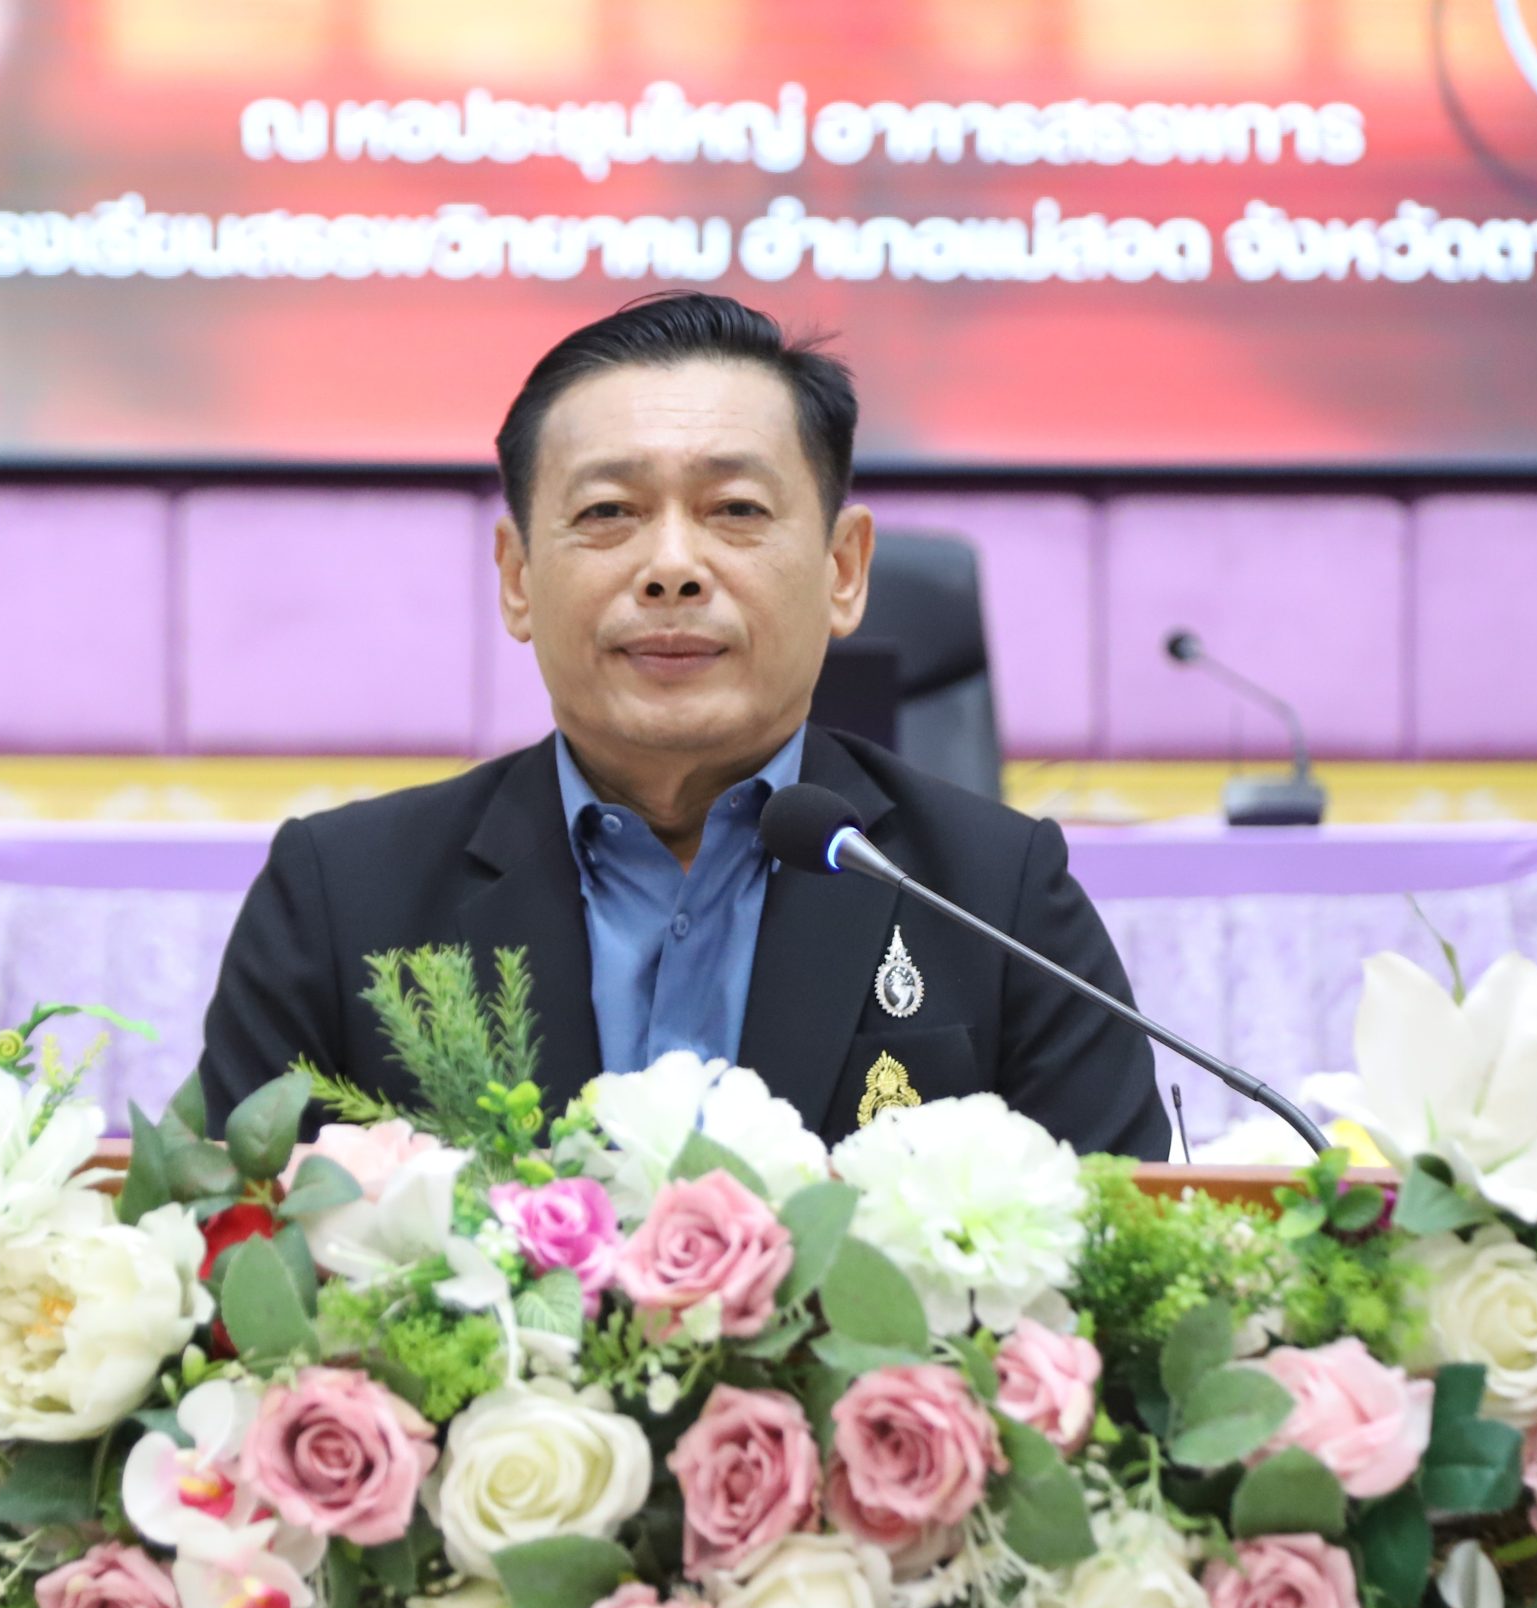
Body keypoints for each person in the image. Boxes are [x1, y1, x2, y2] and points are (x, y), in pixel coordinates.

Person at [198, 292, 1169, 1156]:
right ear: (518, 577)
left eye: (735, 508)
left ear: (842, 570)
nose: (671, 566)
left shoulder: (995, 897)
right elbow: (231, 1247)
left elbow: (1121, 1255)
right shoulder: (340, 899)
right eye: (608, 511)